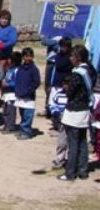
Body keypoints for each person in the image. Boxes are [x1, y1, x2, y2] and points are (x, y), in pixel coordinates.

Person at [58, 46, 96, 181]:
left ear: (78, 58)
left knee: (73, 143)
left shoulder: (77, 74)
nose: (70, 59)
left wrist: (66, 87)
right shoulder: (91, 70)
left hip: (74, 110)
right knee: (83, 141)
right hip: (85, 109)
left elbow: (70, 93)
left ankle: (70, 173)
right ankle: (83, 170)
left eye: (72, 56)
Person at [14, 47, 41, 140]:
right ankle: (22, 130)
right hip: (20, 96)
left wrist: (28, 91)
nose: (28, 58)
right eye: (26, 56)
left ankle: (27, 132)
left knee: (28, 115)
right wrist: (17, 91)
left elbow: (36, 82)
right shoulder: (20, 68)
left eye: (30, 56)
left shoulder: (34, 69)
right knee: (22, 114)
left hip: (29, 97)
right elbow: (17, 80)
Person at [0, 52, 21, 134]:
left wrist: (8, 84)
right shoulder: (9, 70)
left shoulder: (17, 70)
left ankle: (11, 126)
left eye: (10, 59)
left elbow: (17, 82)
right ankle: (6, 124)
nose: (8, 61)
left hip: (12, 94)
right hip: (6, 94)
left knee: (11, 111)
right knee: (5, 110)